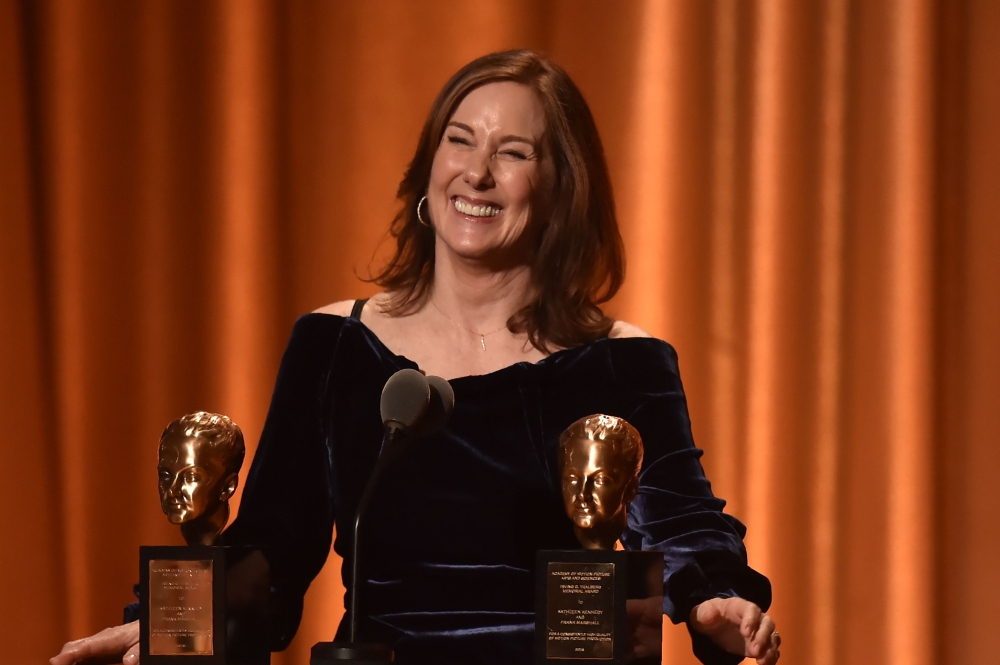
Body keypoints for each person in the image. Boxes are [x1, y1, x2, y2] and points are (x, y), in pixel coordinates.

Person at [52, 50, 780, 665]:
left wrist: (717, 595)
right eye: (460, 141)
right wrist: (171, 622)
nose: (478, 173)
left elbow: (678, 518)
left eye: (514, 153)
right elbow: (272, 542)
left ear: (562, 189)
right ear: (429, 166)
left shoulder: (623, 360)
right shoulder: (335, 340)